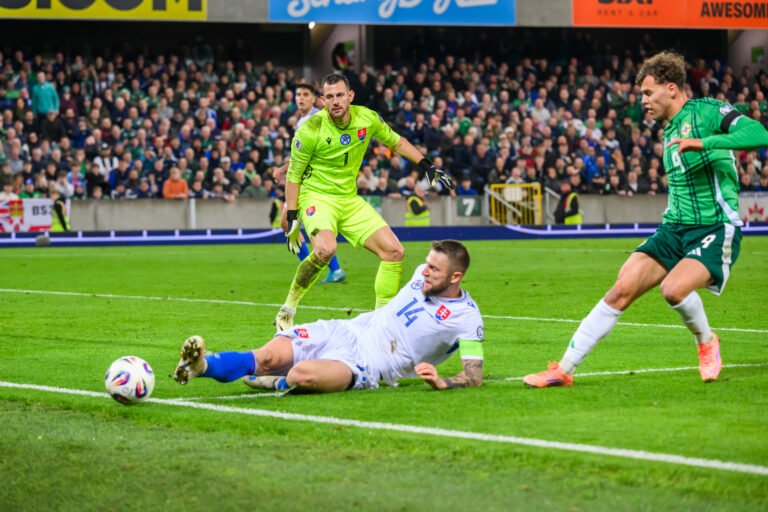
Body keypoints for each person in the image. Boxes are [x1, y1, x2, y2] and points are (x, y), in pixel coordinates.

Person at [524, 51, 768, 388]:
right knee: (620, 290)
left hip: (714, 227)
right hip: (673, 229)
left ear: (672, 88)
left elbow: (760, 134)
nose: (643, 101)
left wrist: (705, 142)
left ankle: (706, 341)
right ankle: (564, 369)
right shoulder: (668, 131)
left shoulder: (708, 111)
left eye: (648, 93)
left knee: (673, 289)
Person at [173, 240, 484, 393]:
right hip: (345, 330)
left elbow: (474, 376)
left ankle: (278, 382)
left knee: (300, 374)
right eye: (427, 264)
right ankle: (201, 366)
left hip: (368, 364)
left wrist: (443, 382)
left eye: (434, 269)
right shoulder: (420, 273)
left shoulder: (467, 319)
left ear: (455, 277)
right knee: (266, 356)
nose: (425, 271)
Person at [276, 73, 454, 331]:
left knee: (394, 252)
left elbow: (396, 142)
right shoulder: (310, 128)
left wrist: (426, 164)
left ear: (350, 96)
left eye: (340, 95)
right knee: (325, 249)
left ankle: (382, 325)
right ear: (323, 101)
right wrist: (292, 215)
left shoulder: (367, 118)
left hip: (349, 199)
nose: (335, 101)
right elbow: (293, 176)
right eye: (329, 97)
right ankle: (288, 309)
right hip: (316, 196)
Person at [273, 83, 346, 284]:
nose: (301, 98)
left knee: (299, 223)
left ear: (314, 98)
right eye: (298, 94)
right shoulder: (302, 121)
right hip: (305, 179)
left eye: (306, 94)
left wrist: (285, 169)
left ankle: (317, 269)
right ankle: (332, 269)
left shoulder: (317, 119)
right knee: (289, 223)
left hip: (313, 180)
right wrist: (284, 169)